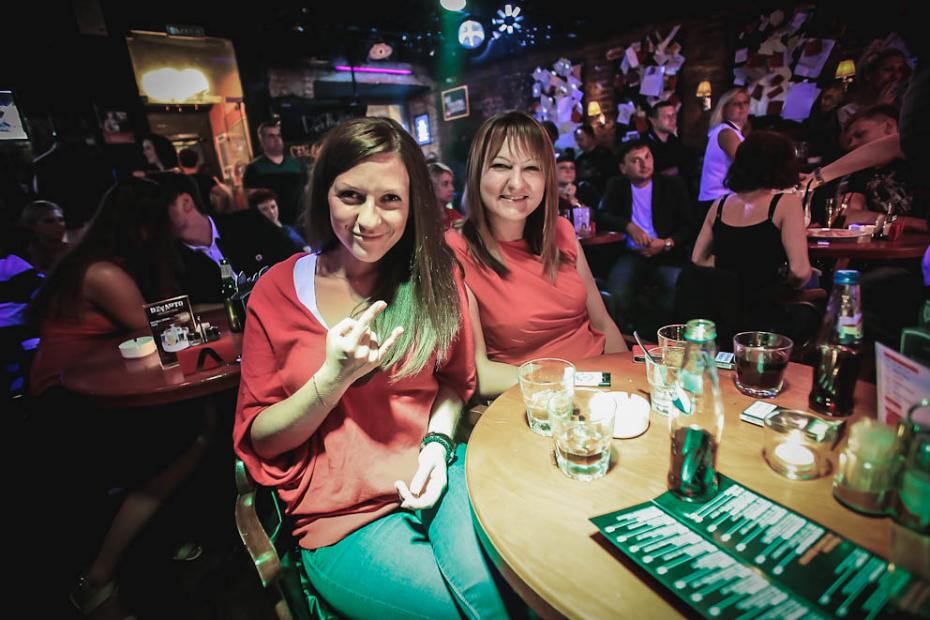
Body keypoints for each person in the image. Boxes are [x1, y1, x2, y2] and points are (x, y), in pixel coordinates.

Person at [233, 116, 510, 618]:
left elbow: (453, 384)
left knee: (501, 597)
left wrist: (437, 445)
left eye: (390, 199)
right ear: (324, 194)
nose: (368, 219)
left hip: (440, 473)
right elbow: (263, 440)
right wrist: (332, 379)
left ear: (413, 204)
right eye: (351, 196)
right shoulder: (276, 291)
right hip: (345, 516)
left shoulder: (435, 277)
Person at [26, 178, 208, 618]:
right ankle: (99, 576)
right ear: (143, 228)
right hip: (64, 406)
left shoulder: (94, 261)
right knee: (195, 433)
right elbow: (162, 329)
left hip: (90, 394)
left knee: (192, 418)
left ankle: (166, 534)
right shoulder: (103, 274)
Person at [446, 111, 626, 398]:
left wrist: (625, 384)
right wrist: (575, 382)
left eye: (531, 168)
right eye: (501, 166)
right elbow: (479, 373)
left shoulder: (562, 231)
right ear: (477, 172)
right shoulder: (456, 250)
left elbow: (602, 323)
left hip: (602, 388)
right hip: (535, 400)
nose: (517, 183)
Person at [692, 131, 814, 344]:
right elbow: (800, 271)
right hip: (765, 316)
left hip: (721, 313)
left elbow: (698, 258)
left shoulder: (720, 204)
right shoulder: (786, 203)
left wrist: (732, 267)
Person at [151, 172, 297, 304]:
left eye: (156, 208)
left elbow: (296, 261)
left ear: (185, 202)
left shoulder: (250, 223)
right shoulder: (172, 264)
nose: (150, 219)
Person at [597, 139, 694, 334]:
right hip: (631, 253)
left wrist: (667, 243)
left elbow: (690, 225)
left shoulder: (671, 185)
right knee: (617, 292)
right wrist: (628, 226)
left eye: (647, 157)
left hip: (668, 253)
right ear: (623, 168)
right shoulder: (616, 185)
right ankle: (631, 336)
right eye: (636, 160)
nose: (644, 164)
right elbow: (602, 216)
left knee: (675, 291)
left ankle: (666, 336)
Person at [243, 117, 308, 227]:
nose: (277, 139)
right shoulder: (254, 169)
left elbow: (307, 193)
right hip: (272, 226)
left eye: (278, 135)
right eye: (271, 136)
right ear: (262, 140)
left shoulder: (297, 165)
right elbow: (254, 203)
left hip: (300, 224)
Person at [697, 87, 750, 215]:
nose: (742, 107)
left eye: (745, 102)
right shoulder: (726, 133)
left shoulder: (733, 132)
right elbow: (746, 164)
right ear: (724, 109)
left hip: (725, 199)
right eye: (736, 104)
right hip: (718, 200)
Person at [642, 101, 696, 189]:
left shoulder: (675, 142)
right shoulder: (642, 145)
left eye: (674, 115)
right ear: (653, 121)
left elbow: (688, 163)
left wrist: (678, 169)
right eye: (666, 116)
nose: (672, 120)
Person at [15, 199, 70, 273]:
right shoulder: (23, 256)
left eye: (61, 219)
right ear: (33, 225)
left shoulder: (74, 251)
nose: (59, 225)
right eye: (49, 221)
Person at [573, 123, 617, 200]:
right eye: (577, 140)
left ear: (590, 138)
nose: (578, 143)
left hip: (604, 196)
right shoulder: (579, 159)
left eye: (581, 139)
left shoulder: (605, 155)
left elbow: (612, 177)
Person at [427, 161, 464, 229]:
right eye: (445, 184)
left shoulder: (455, 216)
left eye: (451, 183)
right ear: (432, 187)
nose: (452, 189)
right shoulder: (424, 219)